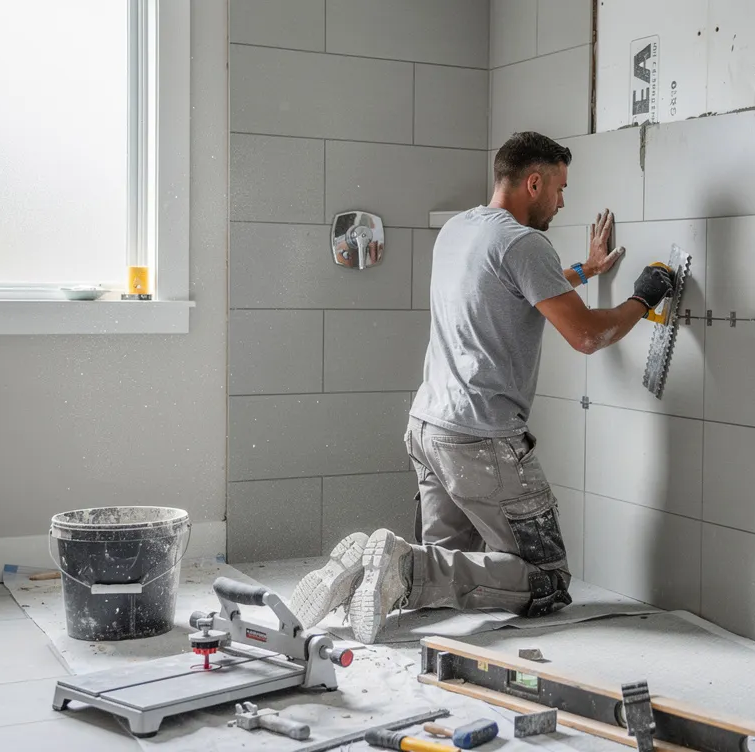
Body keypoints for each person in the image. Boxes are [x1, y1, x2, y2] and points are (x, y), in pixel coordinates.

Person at [289, 131, 676, 643]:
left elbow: (509, 288)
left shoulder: (459, 229)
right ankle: (401, 571)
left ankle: (370, 569)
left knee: (456, 571)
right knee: (548, 579)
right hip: (481, 440)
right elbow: (585, 335)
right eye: (559, 188)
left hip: (429, 428)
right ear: (533, 183)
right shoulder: (525, 242)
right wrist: (643, 297)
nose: (563, 201)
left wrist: (585, 270)